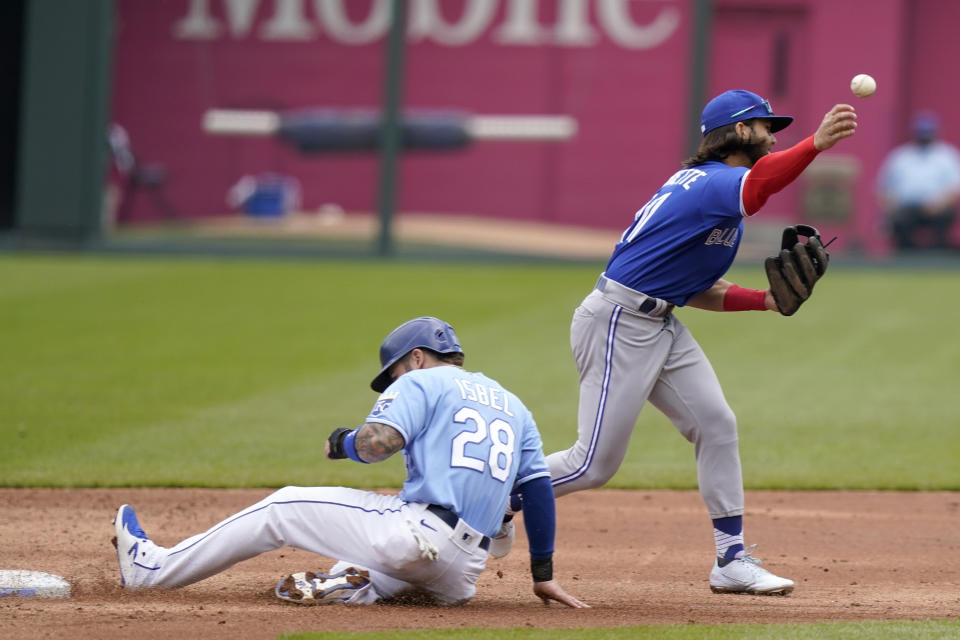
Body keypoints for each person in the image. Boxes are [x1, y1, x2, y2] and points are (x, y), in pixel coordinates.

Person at [491, 90, 857, 595]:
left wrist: (765, 302)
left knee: (716, 423)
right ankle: (493, 499)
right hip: (619, 321)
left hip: (658, 320)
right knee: (593, 463)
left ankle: (731, 559)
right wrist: (816, 144)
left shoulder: (712, 191)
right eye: (765, 127)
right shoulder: (717, 183)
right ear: (740, 131)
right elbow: (760, 186)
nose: (774, 137)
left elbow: (692, 289)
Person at [112, 316, 587, 608]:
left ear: (417, 358)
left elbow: (379, 444)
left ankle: (153, 569)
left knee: (283, 506)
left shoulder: (421, 381)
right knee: (390, 529)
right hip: (462, 575)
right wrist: (542, 577)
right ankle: (352, 584)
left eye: (394, 373)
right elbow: (539, 491)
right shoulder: (513, 404)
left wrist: (342, 442)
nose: (392, 382)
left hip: (416, 538)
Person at [876, 110, 960, 250]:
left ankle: (938, 255)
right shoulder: (901, 156)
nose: (924, 136)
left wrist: (939, 203)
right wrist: (891, 207)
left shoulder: (947, 155)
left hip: (938, 206)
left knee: (944, 218)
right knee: (900, 221)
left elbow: (955, 187)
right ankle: (904, 255)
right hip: (906, 207)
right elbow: (884, 187)